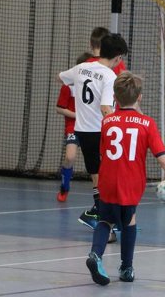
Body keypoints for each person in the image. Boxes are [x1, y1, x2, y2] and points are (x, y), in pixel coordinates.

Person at [85, 71, 165, 286]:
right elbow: (162, 158)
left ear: (114, 97)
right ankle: (126, 268)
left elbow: (103, 153)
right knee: (129, 220)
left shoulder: (107, 121)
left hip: (107, 179)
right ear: (140, 97)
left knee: (105, 219)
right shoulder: (147, 123)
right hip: (131, 182)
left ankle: (95, 255)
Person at [59, 33, 128, 236]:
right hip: (100, 131)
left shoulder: (81, 68)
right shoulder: (109, 76)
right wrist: (118, 129)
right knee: (110, 175)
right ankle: (105, 216)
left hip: (82, 130)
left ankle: (99, 213)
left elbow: (60, 77)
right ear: (117, 57)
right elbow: (106, 108)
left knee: (97, 174)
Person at [55, 52, 93, 202]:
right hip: (74, 126)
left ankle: (101, 195)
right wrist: (78, 115)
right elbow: (59, 108)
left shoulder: (94, 86)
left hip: (91, 127)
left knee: (98, 160)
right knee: (70, 157)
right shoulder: (68, 86)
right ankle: (64, 187)